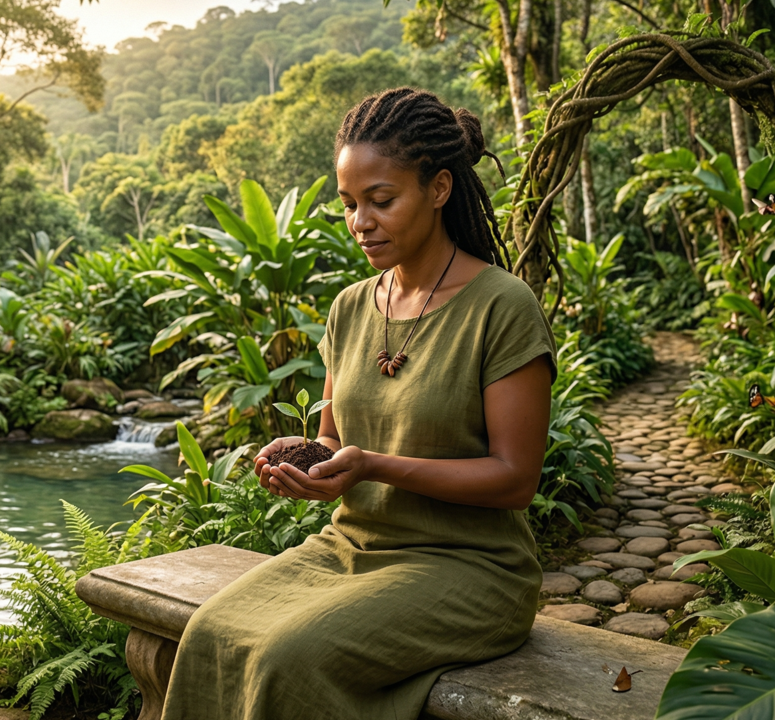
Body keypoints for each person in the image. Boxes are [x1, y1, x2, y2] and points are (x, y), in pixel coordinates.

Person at [159, 88, 556, 720]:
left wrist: (373, 465)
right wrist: (304, 468)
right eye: (349, 205)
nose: (360, 222)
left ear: (440, 189)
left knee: (287, 657)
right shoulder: (349, 307)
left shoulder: (501, 306)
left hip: (474, 570)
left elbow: (515, 480)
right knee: (209, 632)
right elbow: (333, 439)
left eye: (381, 200)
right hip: (353, 546)